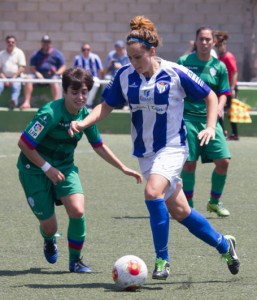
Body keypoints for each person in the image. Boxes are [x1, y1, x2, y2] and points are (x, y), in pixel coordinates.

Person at [69, 16, 240, 280]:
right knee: (181, 211)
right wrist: (82, 122)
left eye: (138, 57)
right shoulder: (125, 76)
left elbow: (209, 95)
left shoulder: (175, 72)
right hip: (145, 153)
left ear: (152, 51)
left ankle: (162, 259)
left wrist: (209, 126)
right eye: (129, 57)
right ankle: (223, 245)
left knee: (152, 193)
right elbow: (105, 106)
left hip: (172, 147)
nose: (133, 63)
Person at [17, 67, 142, 273]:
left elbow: (99, 145)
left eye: (84, 92)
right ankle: (49, 239)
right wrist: (47, 168)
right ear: (64, 92)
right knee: (50, 226)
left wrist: (123, 168)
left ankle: (75, 261)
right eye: (74, 92)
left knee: (77, 210)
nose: (80, 97)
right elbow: (24, 144)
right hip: (34, 169)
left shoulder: (85, 115)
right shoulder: (50, 113)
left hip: (65, 167)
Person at [177, 27, 231, 217]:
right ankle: (188, 206)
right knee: (189, 164)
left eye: (208, 39)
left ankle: (214, 203)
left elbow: (224, 92)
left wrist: (219, 107)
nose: (205, 42)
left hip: (210, 120)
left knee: (223, 161)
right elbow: (175, 88)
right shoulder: (184, 62)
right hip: (187, 118)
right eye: (201, 39)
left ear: (213, 42)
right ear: (196, 41)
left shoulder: (220, 66)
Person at [20, 35, 66, 110]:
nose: (46, 44)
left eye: (47, 42)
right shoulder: (36, 54)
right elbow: (32, 68)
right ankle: (26, 102)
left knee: (55, 80)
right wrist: (37, 74)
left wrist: (56, 72)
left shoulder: (57, 54)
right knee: (28, 78)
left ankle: (56, 103)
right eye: (44, 42)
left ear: (50, 43)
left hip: (52, 76)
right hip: (38, 76)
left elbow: (63, 67)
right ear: (42, 43)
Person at [215, 31, 239, 140]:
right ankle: (223, 132)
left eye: (221, 45)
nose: (219, 48)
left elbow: (234, 72)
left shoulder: (229, 57)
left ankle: (235, 133)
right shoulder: (218, 58)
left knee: (230, 111)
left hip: (230, 88)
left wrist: (232, 88)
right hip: (222, 88)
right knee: (218, 109)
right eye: (217, 46)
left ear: (225, 45)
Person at [73, 43, 104, 108]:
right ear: (81, 50)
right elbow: (74, 70)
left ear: (90, 50)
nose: (86, 51)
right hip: (81, 77)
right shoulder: (78, 58)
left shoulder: (95, 57)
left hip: (94, 77)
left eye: (88, 49)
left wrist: (101, 78)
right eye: (84, 49)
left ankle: (88, 103)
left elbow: (100, 70)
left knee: (96, 82)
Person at [0, 35, 26, 109]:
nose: (10, 43)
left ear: (15, 43)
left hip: (16, 77)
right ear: (6, 42)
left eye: (12, 42)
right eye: (9, 42)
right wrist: (4, 78)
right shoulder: (1, 54)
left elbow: (22, 68)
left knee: (16, 86)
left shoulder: (19, 52)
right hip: (3, 77)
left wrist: (13, 77)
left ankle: (13, 102)